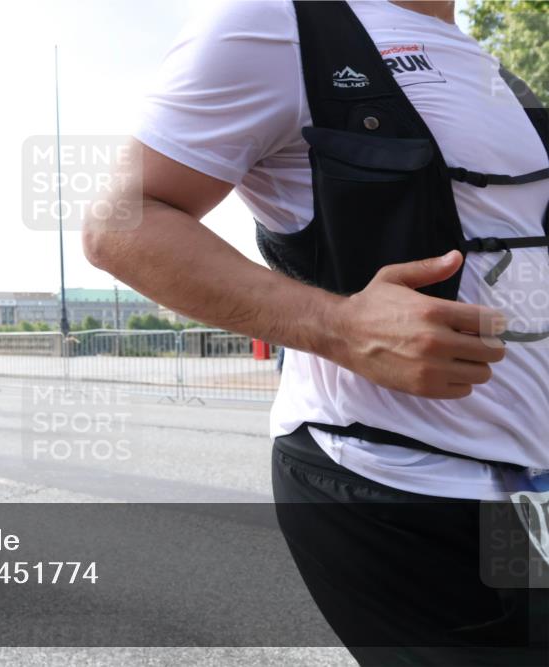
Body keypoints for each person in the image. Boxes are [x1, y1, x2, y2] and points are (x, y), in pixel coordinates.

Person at [83, 1, 548, 663]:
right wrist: (341, 327)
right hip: (390, 485)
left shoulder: (480, 60)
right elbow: (120, 225)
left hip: (526, 494)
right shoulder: (272, 23)